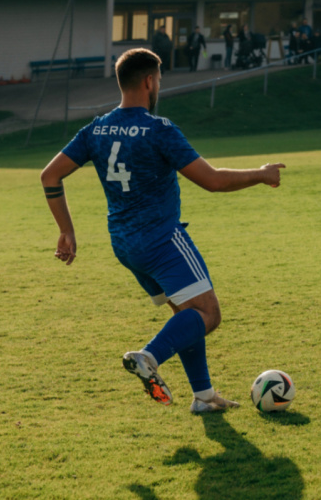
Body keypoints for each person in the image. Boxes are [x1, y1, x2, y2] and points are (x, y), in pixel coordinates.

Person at [39, 48, 285, 414]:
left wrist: (67, 231)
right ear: (149, 81)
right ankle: (148, 357)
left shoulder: (95, 129)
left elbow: (50, 175)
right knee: (208, 314)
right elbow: (213, 181)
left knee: (187, 315)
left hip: (125, 244)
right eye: (160, 81)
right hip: (162, 239)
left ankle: (204, 397)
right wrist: (261, 174)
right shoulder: (159, 129)